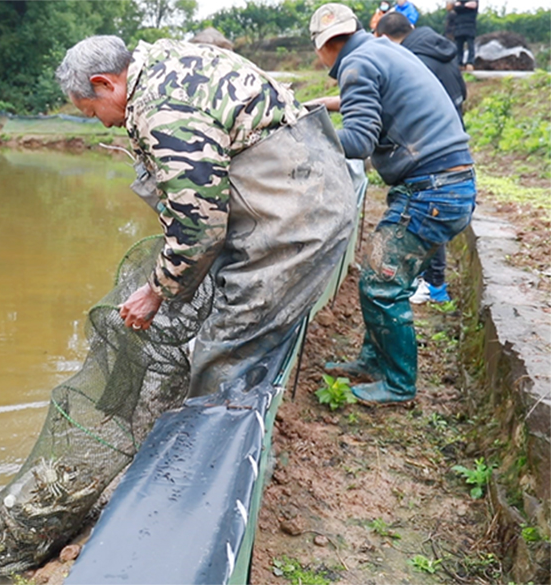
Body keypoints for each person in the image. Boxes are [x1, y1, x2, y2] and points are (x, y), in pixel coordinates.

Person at [55, 36, 357, 399]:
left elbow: (200, 226)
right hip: (303, 194)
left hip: (299, 219)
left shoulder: (160, 108)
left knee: (225, 348)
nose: (103, 125)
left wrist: (154, 292)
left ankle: (207, 443)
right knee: (226, 321)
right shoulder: (167, 61)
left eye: (92, 111)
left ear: (104, 83)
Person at [309, 3, 477, 405]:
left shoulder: (355, 67)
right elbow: (380, 94)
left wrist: (308, 137)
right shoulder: (382, 49)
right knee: (380, 272)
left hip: (431, 190)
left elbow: (360, 141)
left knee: (381, 283)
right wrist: (327, 104)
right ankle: (373, 358)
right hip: (447, 183)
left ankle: (399, 385)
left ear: (322, 47)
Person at [375, 11, 469, 304]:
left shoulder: (411, 60)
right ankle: (433, 281)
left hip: (430, 146)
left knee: (425, 211)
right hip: (452, 135)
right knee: (431, 215)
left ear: (386, 39)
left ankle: (432, 283)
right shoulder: (440, 49)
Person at [453, 1, 479, 70]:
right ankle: (459, 63)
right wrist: (465, 6)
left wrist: (461, 6)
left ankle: (470, 63)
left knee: (470, 46)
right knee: (459, 47)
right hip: (459, 27)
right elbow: (456, 8)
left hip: (470, 27)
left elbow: (473, 5)